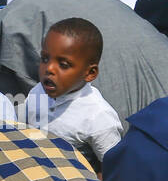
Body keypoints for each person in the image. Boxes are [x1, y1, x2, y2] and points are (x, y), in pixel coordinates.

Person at [20, 18, 123, 167]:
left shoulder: (99, 117)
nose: (49, 69)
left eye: (63, 64)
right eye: (45, 59)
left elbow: (113, 169)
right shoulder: (37, 92)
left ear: (90, 73)